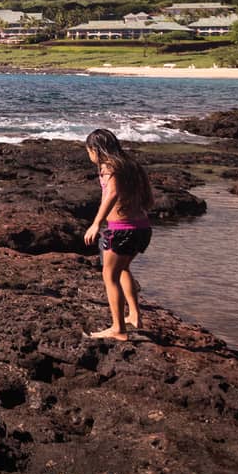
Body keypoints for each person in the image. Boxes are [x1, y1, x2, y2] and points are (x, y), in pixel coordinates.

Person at [82, 128, 154, 340]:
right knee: (123, 269)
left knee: (109, 275)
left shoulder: (108, 167)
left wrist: (96, 224)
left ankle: (118, 329)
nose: (89, 155)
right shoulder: (131, 165)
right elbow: (146, 190)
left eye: (89, 150)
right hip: (142, 227)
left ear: (96, 149)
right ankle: (134, 316)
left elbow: (112, 193)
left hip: (122, 230)